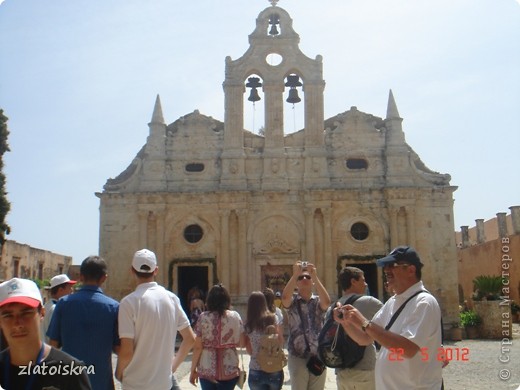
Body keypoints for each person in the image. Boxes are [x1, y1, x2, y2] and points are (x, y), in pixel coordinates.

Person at [336, 246, 443, 390]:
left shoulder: (424, 303)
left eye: (392, 266)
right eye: (385, 266)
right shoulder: (393, 302)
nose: (386, 270)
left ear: (411, 270)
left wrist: (364, 323)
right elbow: (365, 339)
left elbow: (408, 349)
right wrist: (346, 322)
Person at [116, 248, 195, 390]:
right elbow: (190, 338)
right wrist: (172, 367)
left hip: (135, 384)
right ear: (156, 270)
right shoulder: (172, 299)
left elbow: (127, 351)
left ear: (132, 271)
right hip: (163, 383)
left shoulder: (128, 303)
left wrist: (119, 373)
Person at [0, 277, 92, 389]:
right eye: (8, 316)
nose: (17, 323)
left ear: (42, 313)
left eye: (26, 313)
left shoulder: (70, 372)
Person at [48, 256, 120, 390]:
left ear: (81, 276)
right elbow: (118, 348)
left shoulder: (63, 304)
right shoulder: (114, 307)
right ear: (104, 278)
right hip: (101, 383)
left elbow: (53, 345)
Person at [281, 261, 331, 390]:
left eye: (307, 277)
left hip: (317, 354)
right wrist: (294, 275)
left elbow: (327, 302)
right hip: (297, 355)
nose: (304, 279)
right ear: (296, 283)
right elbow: (285, 297)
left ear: (312, 282)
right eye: (300, 277)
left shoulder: (318, 302)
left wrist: (314, 276)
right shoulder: (293, 303)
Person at [334, 266, 383, 390]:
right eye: (363, 280)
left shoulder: (333, 308)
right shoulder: (371, 302)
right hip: (364, 368)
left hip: (341, 370)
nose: (366, 284)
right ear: (353, 281)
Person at [190, 283, 245, 389]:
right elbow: (241, 342)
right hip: (229, 367)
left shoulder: (203, 318)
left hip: (207, 369)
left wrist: (193, 370)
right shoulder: (235, 316)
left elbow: (197, 347)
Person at [245, 291, 284, 390]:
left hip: (255, 368)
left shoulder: (248, 324)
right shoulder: (273, 318)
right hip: (274, 367)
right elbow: (280, 340)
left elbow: (248, 348)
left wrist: (257, 353)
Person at [42, 273, 77, 342]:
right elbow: (54, 338)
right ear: (61, 290)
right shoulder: (55, 308)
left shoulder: (47, 305)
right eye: (69, 287)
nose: (72, 291)